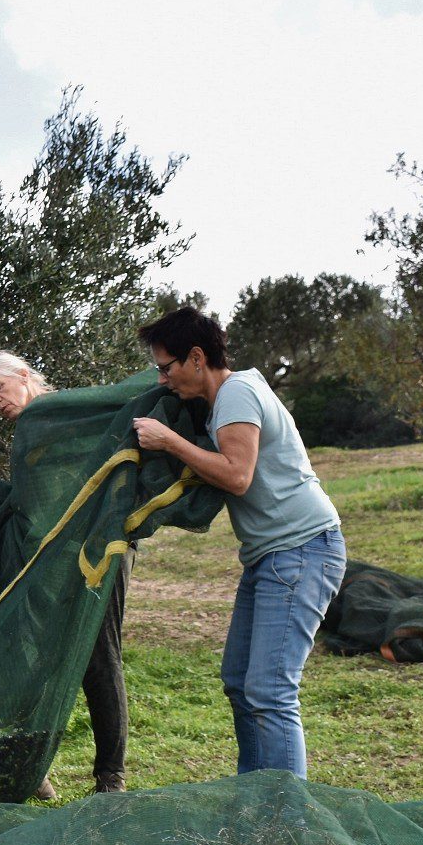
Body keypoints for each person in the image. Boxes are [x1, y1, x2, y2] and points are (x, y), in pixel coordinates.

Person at [131, 307, 345, 779]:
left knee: (270, 691)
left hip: (302, 548)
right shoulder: (226, 396)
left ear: (196, 357)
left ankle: (288, 819)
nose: (164, 380)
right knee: (239, 683)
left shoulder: (237, 394)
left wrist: (170, 441)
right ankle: (256, 799)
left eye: (167, 368)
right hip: (271, 555)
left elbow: (238, 476)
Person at [0, 350, 129, 797]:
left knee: (99, 657)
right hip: (48, 559)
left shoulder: (74, 410)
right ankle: (31, 769)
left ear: (24, 375)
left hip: (100, 551)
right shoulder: (28, 430)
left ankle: (110, 777)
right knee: (37, 657)